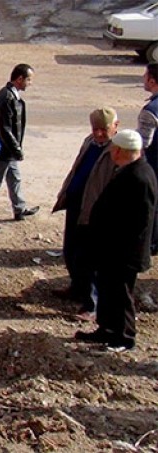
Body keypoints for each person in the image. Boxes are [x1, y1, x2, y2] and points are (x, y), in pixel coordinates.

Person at [76, 129, 158, 352]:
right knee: (107, 289)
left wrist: (117, 247)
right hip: (110, 249)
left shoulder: (140, 176)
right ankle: (107, 329)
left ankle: (124, 336)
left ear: (121, 150)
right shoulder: (128, 170)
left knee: (120, 294)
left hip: (123, 252)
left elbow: (140, 221)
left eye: (114, 149)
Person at [52, 108, 119, 319]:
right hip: (77, 204)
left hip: (97, 212)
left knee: (91, 259)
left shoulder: (118, 150)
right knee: (71, 250)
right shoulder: (89, 142)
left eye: (103, 129)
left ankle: (92, 305)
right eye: (95, 129)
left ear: (115, 127)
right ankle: (77, 288)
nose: (99, 133)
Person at [0, 64, 39, 232]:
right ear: (20, 79)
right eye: (29, 79)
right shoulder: (6, 97)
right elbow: (4, 128)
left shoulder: (10, 95)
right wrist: (16, 149)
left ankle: (19, 208)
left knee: (14, 178)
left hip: (7, 150)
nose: (30, 83)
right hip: (4, 150)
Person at [136, 63, 158, 255]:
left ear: (152, 81)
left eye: (145, 76)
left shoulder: (151, 110)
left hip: (153, 166)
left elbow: (143, 143)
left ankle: (150, 245)